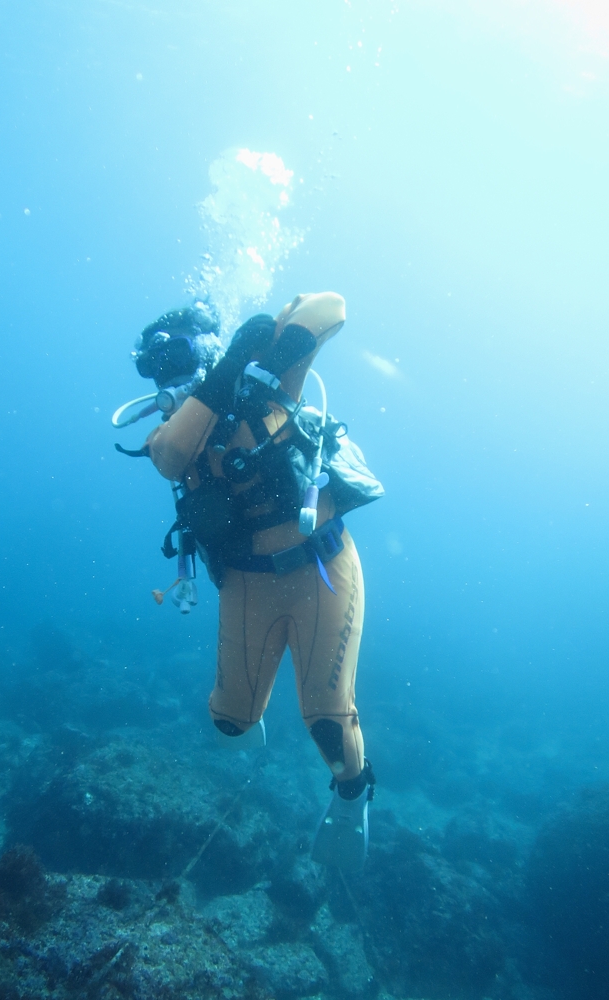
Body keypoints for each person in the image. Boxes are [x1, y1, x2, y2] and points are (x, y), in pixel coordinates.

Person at [120, 293, 383, 871]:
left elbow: (332, 306)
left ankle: (351, 797)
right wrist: (216, 378)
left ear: (211, 345)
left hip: (321, 569)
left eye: (184, 355)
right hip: (246, 583)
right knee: (229, 724)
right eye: (159, 365)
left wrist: (277, 339)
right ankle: (253, 724)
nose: (174, 373)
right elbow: (166, 457)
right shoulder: (177, 431)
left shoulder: (267, 385)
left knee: (325, 717)